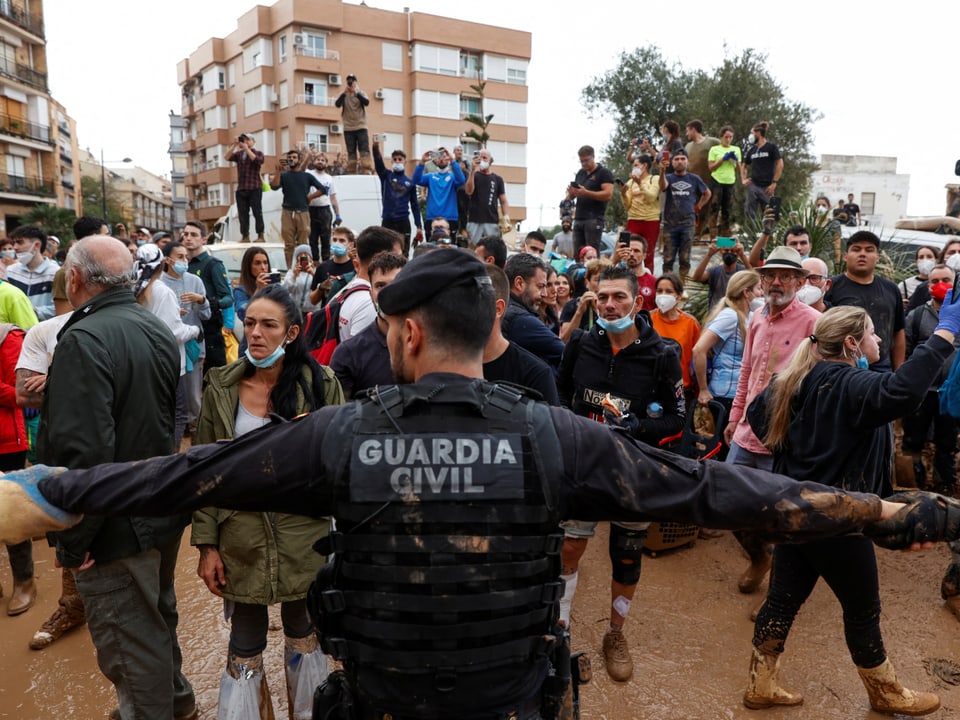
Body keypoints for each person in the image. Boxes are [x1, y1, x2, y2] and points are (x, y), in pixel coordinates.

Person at [7, 249, 951, 720]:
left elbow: (183, 474)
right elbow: (729, 496)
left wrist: (46, 493)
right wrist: (897, 511)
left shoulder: (337, 435)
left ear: (409, 333)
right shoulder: (560, 438)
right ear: (486, 323)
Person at [743, 304, 956, 716]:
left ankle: (761, 681)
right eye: (874, 334)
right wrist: (943, 334)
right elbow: (903, 392)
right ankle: (885, 691)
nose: (880, 341)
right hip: (839, 520)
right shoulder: (848, 382)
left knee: (783, 599)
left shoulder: (796, 378)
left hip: (796, 512)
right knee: (863, 610)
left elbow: (758, 416)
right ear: (852, 343)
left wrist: (803, 460)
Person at [35, 235, 197, 720]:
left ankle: (152, 712)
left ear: (77, 279)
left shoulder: (84, 339)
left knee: (129, 636)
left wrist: (75, 540)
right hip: (159, 503)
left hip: (114, 522)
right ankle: (178, 702)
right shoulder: (153, 329)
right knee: (157, 613)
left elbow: (83, 455)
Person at [192, 283, 342, 718]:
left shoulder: (321, 384)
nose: (255, 333)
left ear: (291, 334)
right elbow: (203, 474)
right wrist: (207, 545)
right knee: (244, 638)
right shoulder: (222, 387)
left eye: (268, 325)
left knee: (303, 628)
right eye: (250, 323)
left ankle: (310, 710)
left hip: (304, 536)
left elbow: (341, 467)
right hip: (242, 538)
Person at [557, 264, 685, 682]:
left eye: (620, 298)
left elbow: (678, 420)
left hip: (634, 472)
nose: (610, 306)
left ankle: (616, 633)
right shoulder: (579, 343)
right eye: (603, 298)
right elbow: (560, 393)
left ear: (638, 301)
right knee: (568, 549)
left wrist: (637, 428)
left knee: (627, 557)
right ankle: (559, 631)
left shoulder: (663, 354)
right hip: (581, 470)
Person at [135, 244, 201, 448]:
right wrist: (194, 330)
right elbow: (172, 333)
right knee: (177, 414)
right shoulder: (162, 291)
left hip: (142, 361)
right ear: (163, 263)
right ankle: (169, 459)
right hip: (168, 364)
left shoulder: (134, 286)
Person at [902, 263, 959, 494]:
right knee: (913, 439)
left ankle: (945, 487)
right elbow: (905, 349)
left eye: (946, 279)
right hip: (921, 390)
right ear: (928, 285)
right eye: (935, 281)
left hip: (951, 392)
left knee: (947, 443)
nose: (940, 285)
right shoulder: (916, 315)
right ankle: (912, 483)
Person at [329, 251, 406, 398]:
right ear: (371, 294)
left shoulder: (427, 346)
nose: (388, 293)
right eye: (380, 286)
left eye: (396, 284)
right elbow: (338, 413)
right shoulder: (349, 354)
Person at [825, 231, 905, 371]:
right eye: (856, 249)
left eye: (869, 250)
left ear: (877, 257)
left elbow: (898, 332)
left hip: (882, 367)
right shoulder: (831, 287)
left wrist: (898, 371)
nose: (862, 254)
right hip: (843, 364)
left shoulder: (891, 289)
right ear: (845, 256)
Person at [693, 270, 762, 420]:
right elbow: (699, 349)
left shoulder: (751, 316)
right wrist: (703, 389)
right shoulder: (730, 316)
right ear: (746, 292)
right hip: (725, 395)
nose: (762, 293)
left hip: (743, 393)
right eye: (758, 288)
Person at [161, 241, 210, 440]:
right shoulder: (160, 285)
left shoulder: (195, 281)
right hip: (167, 349)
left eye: (186, 257)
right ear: (167, 260)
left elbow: (206, 315)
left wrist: (201, 300)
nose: (184, 261)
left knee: (193, 395)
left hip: (193, 346)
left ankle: (196, 431)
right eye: (179, 257)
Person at [0, 322, 33, 616]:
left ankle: (24, 582)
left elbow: (22, 393)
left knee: (10, 513)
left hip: (6, 441)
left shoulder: (7, 337)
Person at [184, 220, 232, 370]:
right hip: (187, 327)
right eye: (185, 234)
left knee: (214, 376)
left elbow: (228, 298)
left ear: (204, 239)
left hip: (209, 330)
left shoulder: (213, 264)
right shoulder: (183, 265)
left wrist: (208, 303)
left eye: (193, 235)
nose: (188, 238)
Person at [269, 148, 327, 267]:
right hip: (287, 212)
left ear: (299, 160)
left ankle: (303, 268)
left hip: (303, 212)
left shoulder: (306, 176)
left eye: (294, 157)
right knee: (289, 244)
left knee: (303, 244)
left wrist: (310, 197)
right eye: (289, 158)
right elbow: (274, 187)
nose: (291, 159)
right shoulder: (284, 175)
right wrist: (278, 171)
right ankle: (290, 269)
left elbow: (323, 189)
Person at [658, 149, 711, 278]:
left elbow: (707, 193)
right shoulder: (668, 178)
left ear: (687, 161)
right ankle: (667, 287)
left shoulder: (694, 178)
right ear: (672, 162)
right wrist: (662, 171)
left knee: (685, 259)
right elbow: (662, 186)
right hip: (670, 224)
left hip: (688, 224)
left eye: (682, 159)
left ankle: (682, 287)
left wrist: (698, 207)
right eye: (676, 159)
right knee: (668, 259)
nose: (680, 161)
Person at [650, 272, 701, 400]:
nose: (663, 295)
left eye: (668, 291)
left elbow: (698, 358)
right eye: (659, 291)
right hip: (651, 388)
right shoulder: (647, 320)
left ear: (678, 296)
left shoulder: (690, 323)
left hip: (682, 390)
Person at [372, 143, 423, 255]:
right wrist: (375, 148)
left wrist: (419, 226)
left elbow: (415, 205)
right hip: (388, 221)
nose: (397, 161)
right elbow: (378, 164)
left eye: (400, 159)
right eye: (395, 159)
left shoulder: (410, 182)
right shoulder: (386, 176)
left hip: (403, 222)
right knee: (385, 253)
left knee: (403, 254)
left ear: (405, 162)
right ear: (391, 162)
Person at [567, 145, 614, 258]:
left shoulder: (603, 173)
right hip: (579, 218)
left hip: (594, 218)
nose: (584, 164)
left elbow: (608, 194)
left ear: (593, 157)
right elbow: (571, 196)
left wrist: (586, 192)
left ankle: (594, 274)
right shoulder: (580, 173)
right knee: (578, 253)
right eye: (581, 161)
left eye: (587, 160)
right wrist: (571, 193)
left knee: (591, 252)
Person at [7, 225, 59, 320]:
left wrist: (30, 311)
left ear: (37, 245)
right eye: (13, 243)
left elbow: (60, 307)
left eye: (20, 242)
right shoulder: (10, 271)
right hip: (14, 331)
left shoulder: (55, 273)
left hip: (43, 332)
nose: (15, 247)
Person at [619, 155, 660, 273]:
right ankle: (628, 277)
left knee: (648, 253)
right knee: (628, 251)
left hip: (650, 221)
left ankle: (648, 281)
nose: (633, 168)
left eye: (636, 165)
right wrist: (623, 194)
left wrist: (640, 183)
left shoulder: (654, 179)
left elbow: (651, 197)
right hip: (633, 220)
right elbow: (627, 206)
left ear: (645, 166)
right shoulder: (631, 182)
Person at [464, 148, 511, 245]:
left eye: (484, 158)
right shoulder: (474, 176)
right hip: (474, 219)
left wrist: (506, 217)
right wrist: (472, 170)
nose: (482, 160)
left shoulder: (497, 179)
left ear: (490, 160)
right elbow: (468, 191)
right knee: (473, 248)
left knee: (492, 248)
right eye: (479, 157)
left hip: (491, 220)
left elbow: (503, 201)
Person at [413, 148, 466, 232]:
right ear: (435, 160)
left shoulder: (453, 177)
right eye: (439, 156)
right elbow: (416, 180)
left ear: (448, 159)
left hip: (450, 218)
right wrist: (422, 162)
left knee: (448, 245)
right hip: (432, 217)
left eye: (444, 156)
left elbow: (462, 180)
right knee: (432, 244)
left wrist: (453, 161)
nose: (441, 159)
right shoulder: (430, 176)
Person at [225, 133, 266, 243]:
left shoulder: (258, 153)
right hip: (242, 187)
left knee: (257, 212)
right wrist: (234, 145)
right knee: (242, 214)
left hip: (254, 187)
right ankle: (245, 236)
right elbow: (226, 157)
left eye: (248, 140)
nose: (245, 142)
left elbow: (257, 160)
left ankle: (261, 235)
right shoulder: (239, 154)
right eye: (244, 140)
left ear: (254, 141)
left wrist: (247, 149)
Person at [741, 122, 783, 220]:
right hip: (753, 185)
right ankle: (752, 233)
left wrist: (774, 183)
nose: (750, 136)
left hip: (767, 187)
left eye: (752, 133)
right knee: (749, 211)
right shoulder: (752, 150)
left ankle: (769, 234)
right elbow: (744, 166)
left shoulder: (771, 147)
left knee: (771, 215)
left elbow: (780, 164)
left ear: (758, 133)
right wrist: (743, 179)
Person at [691, 238, 750, 309]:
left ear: (737, 253)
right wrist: (709, 255)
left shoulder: (742, 271)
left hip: (737, 314)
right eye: (726, 250)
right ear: (721, 252)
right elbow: (696, 278)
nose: (729, 252)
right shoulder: (715, 271)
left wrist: (742, 255)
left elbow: (755, 279)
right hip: (716, 315)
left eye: (733, 251)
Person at [305, 152, 341, 262]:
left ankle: (326, 262)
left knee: (326, 238)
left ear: (326, 163)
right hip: (310, 209)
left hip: (324, 210)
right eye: (318, 159)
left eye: (323, 160)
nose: (320, 161)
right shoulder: (308, 174)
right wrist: (307, 155)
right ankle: (315, 262)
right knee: (312, 238)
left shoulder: (329, 178)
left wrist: (338, 215)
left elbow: (333, 198)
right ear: (314, 161)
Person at [707, 125, 741, 238]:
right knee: (714, 209)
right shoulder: (714, 149)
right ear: (721, 137)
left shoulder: (736, 149)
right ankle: (713, 237)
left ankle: (725, 238)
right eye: (726, 137)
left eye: (730, 137)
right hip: (717, 181)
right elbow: (711, 167)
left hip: (730, 182)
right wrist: (722, 159)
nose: (728, 139)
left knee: (727, 211)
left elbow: (739, 169)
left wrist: (735, 161)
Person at [335, 73, 372, 174]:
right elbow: (337, 104)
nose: (350, 83)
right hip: (348, 128)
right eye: (349, 81)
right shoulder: (343, 95)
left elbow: (366, 102)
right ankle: (351, 170)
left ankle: (367, 169)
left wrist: (356, 93)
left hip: (361, 126)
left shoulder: (361, 93)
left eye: (352, 81)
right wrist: (344, 93)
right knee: (351, 151)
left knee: (364, 149)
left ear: (356, 82)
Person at [283, 243, 318, 316]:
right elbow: (286, 290)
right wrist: (294, 276)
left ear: (310, 258)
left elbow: (321, 287)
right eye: (300, 255)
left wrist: (313, 274)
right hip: (296, 310)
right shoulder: (291, 272)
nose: (303, 256)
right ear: (297, 258)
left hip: (313, 310)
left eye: (305, 254)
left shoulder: (316, 271)